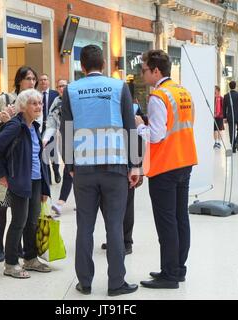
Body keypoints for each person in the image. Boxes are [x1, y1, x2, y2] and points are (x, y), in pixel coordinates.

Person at [60, 44, 140, 296]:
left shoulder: (71, 90)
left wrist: (70, 164)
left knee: (84, 226)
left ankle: (85, 283)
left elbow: (66, 130)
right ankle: (116, 283)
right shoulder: (119, 87)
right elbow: (130, 127)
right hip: (115, 166)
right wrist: (135, 164)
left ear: (81, 66)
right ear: (103, 64)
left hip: (83, 168)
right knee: (114, 226)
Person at [135, 49, 197, 289]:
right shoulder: (183, 92)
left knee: (166, 222)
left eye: (144, 70)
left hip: (165, 166)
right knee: (181, 217)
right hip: (185, 160)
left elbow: (157, 135)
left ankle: (169, 274)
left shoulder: (158, 96)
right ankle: (178, 268)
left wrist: (141, 126)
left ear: (156, 70)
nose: (142, 75)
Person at [0, 89, 51, 278]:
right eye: (34, 103)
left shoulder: (34, 126)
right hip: (20, 180)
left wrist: (44, 187)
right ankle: (11, 263)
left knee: (32, 221)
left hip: (35, 180)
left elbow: (39, 158)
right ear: (23, 107)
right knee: (19, 222)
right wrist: (1, 176)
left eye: (40, 103)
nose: (39, 106)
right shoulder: (15, 126)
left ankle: (30, 259)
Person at [0, 66, 38, 262]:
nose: (31, 82)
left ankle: (16, 246)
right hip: (3, 161)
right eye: (27, 78)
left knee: (21, 209)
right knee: (1, 204)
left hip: (23, 164)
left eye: (34, 79)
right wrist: (0, 118)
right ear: (19, 80)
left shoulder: (35, 100)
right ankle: (0, 245)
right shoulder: (5, 99)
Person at [100, 99, 146, 255]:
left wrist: (138, 167)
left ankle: (126, 242)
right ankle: (115, 238)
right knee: (107, 205)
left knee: (126, 206)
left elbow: (139, 140)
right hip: (108, 164)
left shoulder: (133, 111)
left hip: (126, 166)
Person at [42, 79, 72, 216]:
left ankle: (60, 201)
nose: (61, 88)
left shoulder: (75, 98)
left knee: (70, 169)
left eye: (64, 86)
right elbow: (52, 122)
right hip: (65, 140)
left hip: (80, 139)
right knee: (72, 170)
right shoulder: (56, 103)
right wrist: (46, 138)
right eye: (59, 86)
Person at [38, 73, 61, 184]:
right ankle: (48, 177)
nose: (43, 81)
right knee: (44, 152)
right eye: (41, 80)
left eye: (45, 79)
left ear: (48, 82)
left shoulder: (55, 94)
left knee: (52, 152)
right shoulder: (36, 95)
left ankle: (56, 172)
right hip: (40, 127)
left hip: (51, 127)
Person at [223, 81, 238, 153]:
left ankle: (233, 147)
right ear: (235, 86)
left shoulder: (226, 96)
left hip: (230, 116)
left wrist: (224, 117)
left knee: (231, 131)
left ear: (229, 86)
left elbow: (224, 107)